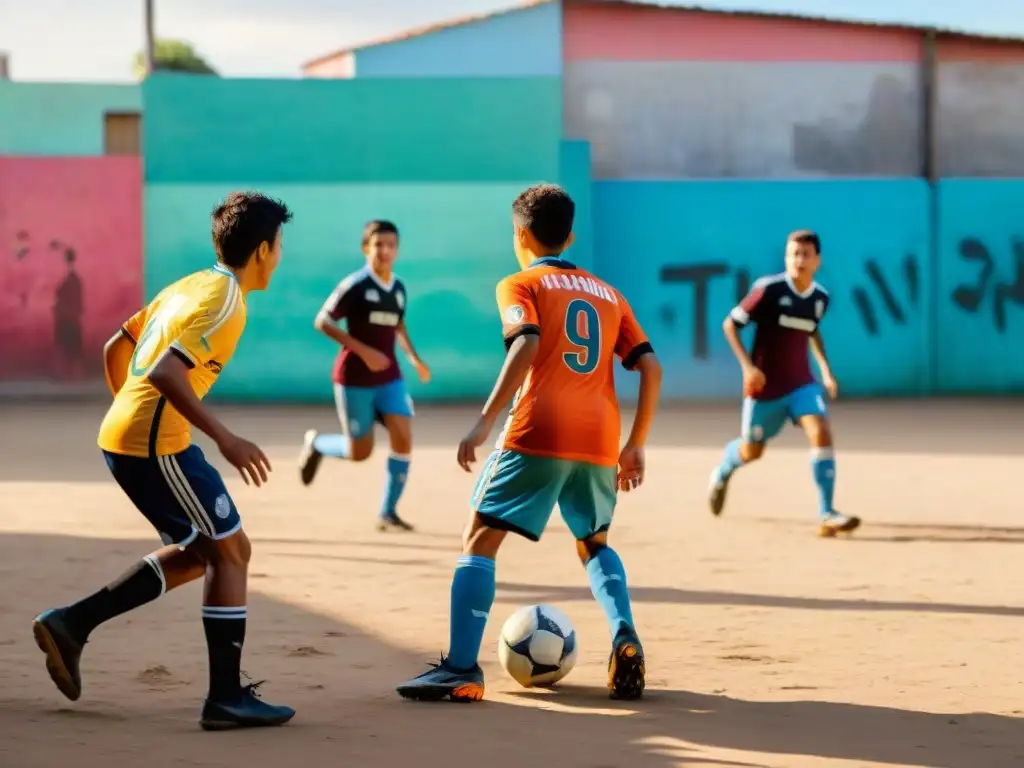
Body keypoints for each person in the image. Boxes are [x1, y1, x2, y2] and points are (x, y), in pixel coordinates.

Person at [32, 191, 296, 730]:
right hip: (157, 447)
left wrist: (125, 411)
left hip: (140, 438)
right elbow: (165, 375)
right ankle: (225, 698)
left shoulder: (190, 285)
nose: (280, 255)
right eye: (280, 246)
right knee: (230, 555)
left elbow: (116, 346)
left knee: (213, 550)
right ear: (265, 249)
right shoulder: (226, 302)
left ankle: (72, 624)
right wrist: (226, 438)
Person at [395, 183, 662, 703]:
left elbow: (527, 344)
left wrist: (482, 421)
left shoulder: (518, 284)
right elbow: (650, 365)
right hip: (600, 438)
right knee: (595, 542)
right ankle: (624, 634)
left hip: (537, 429)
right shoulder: (609, 294)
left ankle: (460, 668)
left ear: (519, 233)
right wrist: (636, 444)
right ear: (571, 233)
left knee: (480, 539)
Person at [708, 230, 860, 537]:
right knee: (752, 451)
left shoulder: (820, 298)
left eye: (805, 254)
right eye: (794, 254)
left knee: (821, 430)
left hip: (802, 383)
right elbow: (730, 324)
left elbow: (812, 332)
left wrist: (826, 371)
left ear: (817, 260)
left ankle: (826, 513)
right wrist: (748, 368)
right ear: (786, 258)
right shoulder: (768, 291)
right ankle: (724, 469)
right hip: (765, 390)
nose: (799, 260)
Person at [298, 220, 430, 532]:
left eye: (391, 245)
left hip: (390, 377)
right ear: (365, 249)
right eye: (378, 245)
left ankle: (387, 512)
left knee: (404, 435)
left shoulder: (398, 288)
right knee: (361, 452)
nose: (385, 251)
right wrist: (364, 351)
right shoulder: (355, 285)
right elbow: (323, 321)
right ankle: (317, 444)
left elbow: (398, 324)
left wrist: (413, 357)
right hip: (354, 379)